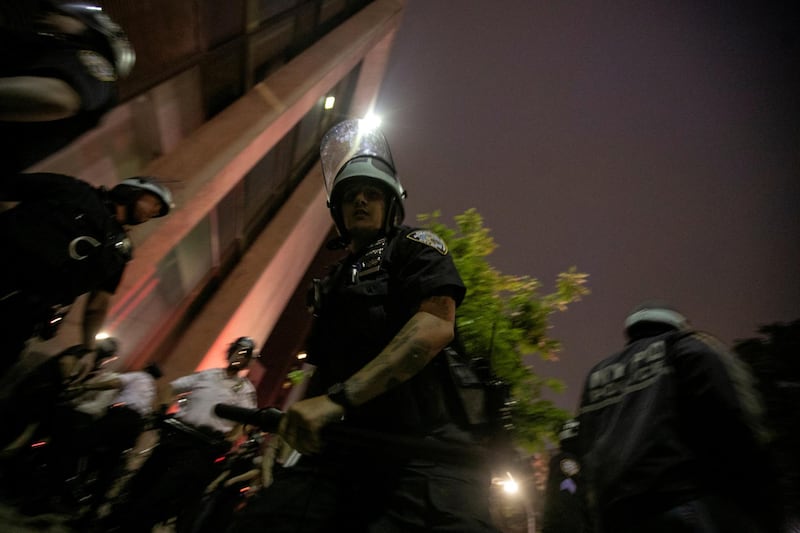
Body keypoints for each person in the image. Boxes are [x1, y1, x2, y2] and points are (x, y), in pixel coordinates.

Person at [228, 119, 499, 532]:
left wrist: (338, 400)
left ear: (391, 205)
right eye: (351, 195)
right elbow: (320, 371)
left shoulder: (415, 248)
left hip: (423, 453)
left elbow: (434, 327)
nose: (360, 201)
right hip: (345, 450)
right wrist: (285, 435)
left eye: (372, 194)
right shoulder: (334, 281)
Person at [575, 301, 783, 533]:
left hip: (614, 517)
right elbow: (736, 421)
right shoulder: (687, 347)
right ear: (678, 324)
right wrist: (768, 505)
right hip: (682, 503)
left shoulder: (596, 375)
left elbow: (583, 454)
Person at [0, 172, 173, 376]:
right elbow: (8, 186)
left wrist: (89, 350)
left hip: (19, 317)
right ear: (133, 190)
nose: (153, 213)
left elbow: (98, 304)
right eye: (154, 204)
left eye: (158, 212)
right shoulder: (73, 189)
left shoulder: (120, 251)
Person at [104, 336, 258, 532]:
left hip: (203, 445)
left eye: (245, 354)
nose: (239, 356)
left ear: (248, 361)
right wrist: (163, 408)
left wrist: (228, 440)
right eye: (237, 350)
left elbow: (244, 421)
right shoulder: (208, 374)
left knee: (162, 494)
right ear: (230, 352)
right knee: (141, 482)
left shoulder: (245, 389)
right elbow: (172, 387)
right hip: (176, 435)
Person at [0, 0, 135, 171]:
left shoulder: (95, 63)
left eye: (63, 14)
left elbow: (57, 100)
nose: (49, 15)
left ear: (88, 27)